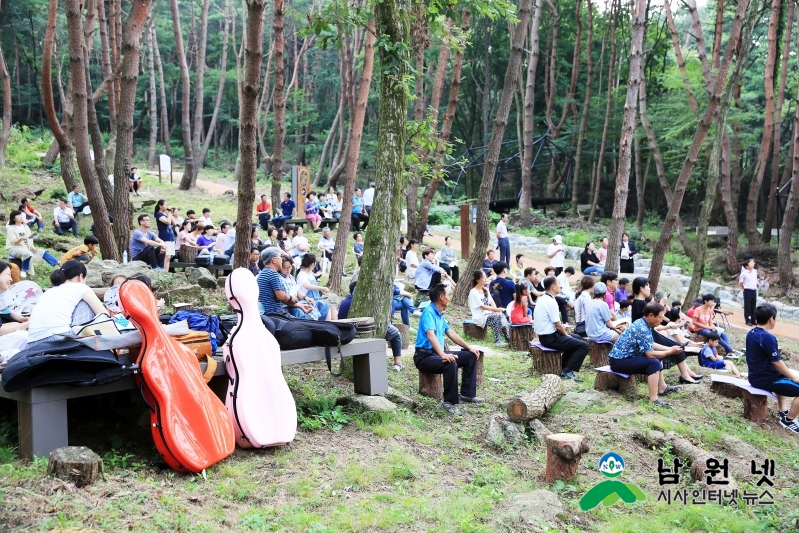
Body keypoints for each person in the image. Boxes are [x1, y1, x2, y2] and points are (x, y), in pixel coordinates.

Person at [415, 283, 484, 415]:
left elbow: (451, 333)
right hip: (424, 357)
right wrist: (443, 355)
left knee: (469, 356)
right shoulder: (428, 312)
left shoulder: (440, 314)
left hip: (437, 354)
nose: (449, 298)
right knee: (450, 362)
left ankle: (467, 394)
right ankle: (448, 402)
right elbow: (430, 334)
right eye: (447, 295)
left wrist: (469, 347)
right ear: (441, 297)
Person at [608, 302, 683, 408]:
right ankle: (654, 399)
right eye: (660, 317)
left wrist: (670, 348)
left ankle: (662, 387)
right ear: (651, 315)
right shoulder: (642, 327)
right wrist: (670, 352)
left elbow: (651, 344)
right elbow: (650, 354)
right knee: (654, 363)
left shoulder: (644, 324)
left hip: (626, 358)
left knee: (657, 358)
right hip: (619, 361)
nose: (661, 320)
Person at [631, 277, 704, 384]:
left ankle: (687, 373)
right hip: (646, 335)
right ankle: (685, 375)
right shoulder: (640, 303)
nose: (649, 289)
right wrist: (661, 304)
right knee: (676, 347)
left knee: (677, 346)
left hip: (648, 333)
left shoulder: (638, 302)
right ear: (641, 288)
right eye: (648, 286)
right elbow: (652, 318)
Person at [26, 261, 109, 345]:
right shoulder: (81, 287)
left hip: (31, 343)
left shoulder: (48, 292)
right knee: (85, 303)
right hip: (58, 339)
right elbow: (104, 315)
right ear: (80, 276)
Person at [746, 303, 799, 434]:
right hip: (766, 379)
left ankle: (783, 410)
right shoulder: (767, 337)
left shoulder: (751, 333)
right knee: (787, 377)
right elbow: (777, 363)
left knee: (784, 375)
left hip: (756, 375)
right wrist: (793, 377)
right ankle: (788, 420)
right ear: (771, 319)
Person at [534, 276, 589, 380]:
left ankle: (564, 366)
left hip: (546, 336)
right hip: (549, 338)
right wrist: (567, 335)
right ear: (553, 286)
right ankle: (568, 370)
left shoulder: (544, 299)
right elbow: (558, 325)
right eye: (559, 284)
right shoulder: (551, 302)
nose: (560, 286)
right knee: (584, 346)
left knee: (576, 337)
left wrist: (568, 336)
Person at [341, 281, 405, 371]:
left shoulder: (345, 302)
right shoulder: (367, 303)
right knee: (396, 334)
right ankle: (398, 362)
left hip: (345, 331)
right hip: (361, 329)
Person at [256, 247, 314, 316]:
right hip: (274, 313)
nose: (281, 260)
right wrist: (291, 298)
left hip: (269, 313)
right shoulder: (272, 273)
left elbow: (281, 298)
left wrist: (300, 306)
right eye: (280, 257)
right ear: (274, 260)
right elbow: (281, 296)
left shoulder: (263, 273)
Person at [689, 294, 743, 358]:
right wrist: (707, 327)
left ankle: (729, 352)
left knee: (724, 334)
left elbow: (710, 322)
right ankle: (731, 350)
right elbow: (694, 322)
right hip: (699, 329)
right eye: (711, 301)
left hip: (708, 328)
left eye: (713, 301)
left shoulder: (709, 310)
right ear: (706, 301)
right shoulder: (698, 309)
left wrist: (714, 327)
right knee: (714, 335)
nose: (713, 303)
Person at [468, 270, 509, 345]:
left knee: (501, 315)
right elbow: (483, 307)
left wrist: (497, 311)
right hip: (480, 317)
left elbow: (492, 302)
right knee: (496, 317)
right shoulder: (473, 292)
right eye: (483, 277)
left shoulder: (485, 289)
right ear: (477, 280)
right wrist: (496, 310)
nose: (485, 279)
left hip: (487, 314)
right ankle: (497, 340)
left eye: (485, 277)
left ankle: (507, 337)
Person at [296, 254, 335, 320]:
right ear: (311, 264)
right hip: (309, 300)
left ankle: (336, 322)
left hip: (316, 298)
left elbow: (316, 275)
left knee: (332, 301)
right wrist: (321, 288)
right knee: (326, 305)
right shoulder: (302, 275)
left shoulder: (309, 272)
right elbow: (307, 286)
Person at [6, 210, 38, 278]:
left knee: (43, 253)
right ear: (14, 219)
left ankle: (58, 262)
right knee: (27, 253)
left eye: (21, 215)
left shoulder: (26, 227)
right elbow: (14, 242)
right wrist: (21, 238)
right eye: (18, 215)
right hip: (14, 248)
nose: (21, 216)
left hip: (26, 246)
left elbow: (30, 238)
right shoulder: (11, 229)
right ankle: (23, 270)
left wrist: (32, 246)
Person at [154, 200, 175, 269]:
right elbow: (167, 222)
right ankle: (164, 271)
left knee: (169, 257)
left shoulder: (166, 214)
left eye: (167, 205)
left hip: (171, 237)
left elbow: (174, 223)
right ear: (160, 206)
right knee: (166, 256)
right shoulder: (158, 214)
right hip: (165, 237)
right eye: (165, 205)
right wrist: (169, 212)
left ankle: (167, 272)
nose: (166, 207)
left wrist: (171, 213)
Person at [739, 257, 760, 326]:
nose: (753, 263)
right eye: (751, 262)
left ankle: (753, 320)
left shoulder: (755, 271)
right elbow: (741, 283)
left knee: (753, 306)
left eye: (753, 262)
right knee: (747, 306)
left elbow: (756, 279)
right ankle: (747, 320)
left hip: (754, 290)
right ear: (746, 266)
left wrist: (757, 283)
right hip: (747, 290)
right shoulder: (743, 273)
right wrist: (743, 289)